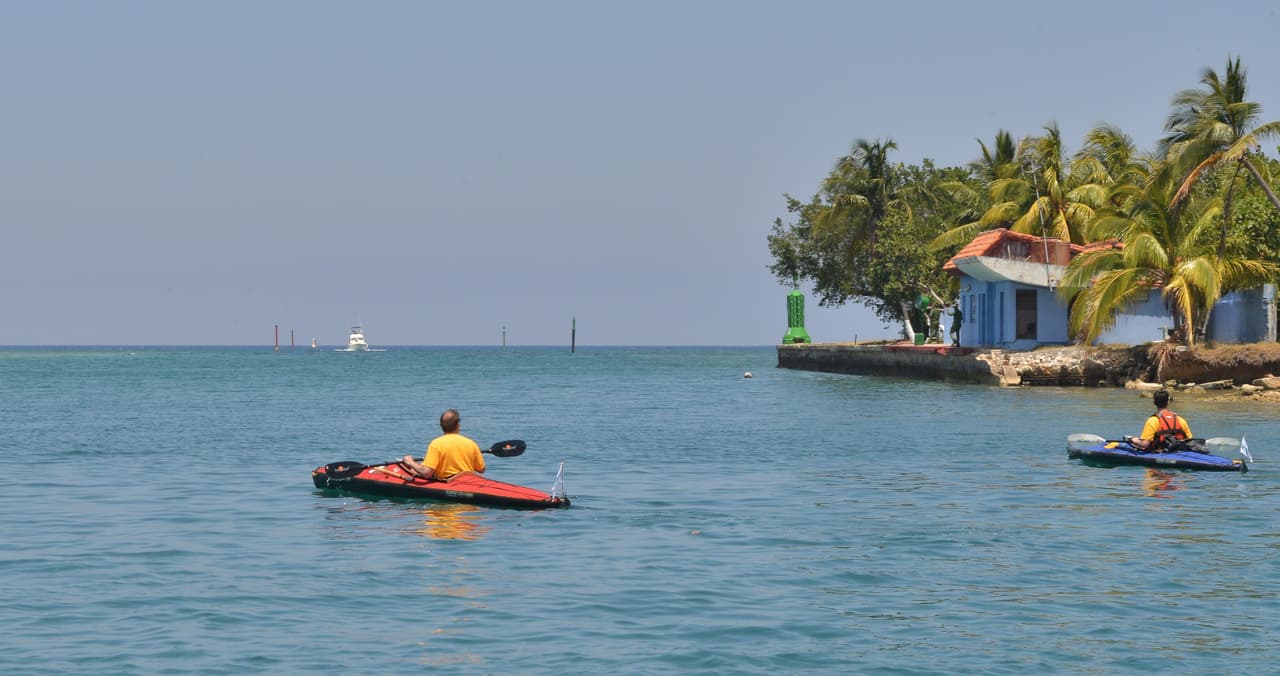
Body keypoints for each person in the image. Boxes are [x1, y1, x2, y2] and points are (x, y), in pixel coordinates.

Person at [401, 409, 486, 480]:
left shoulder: (436, 444)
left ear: (441, 426)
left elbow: (427, 473)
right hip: (468, 481)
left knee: (415, 468)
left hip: (448, 483)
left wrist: (410, 462)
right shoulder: (471, 443)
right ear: (458, 425)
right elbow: (481, 469)